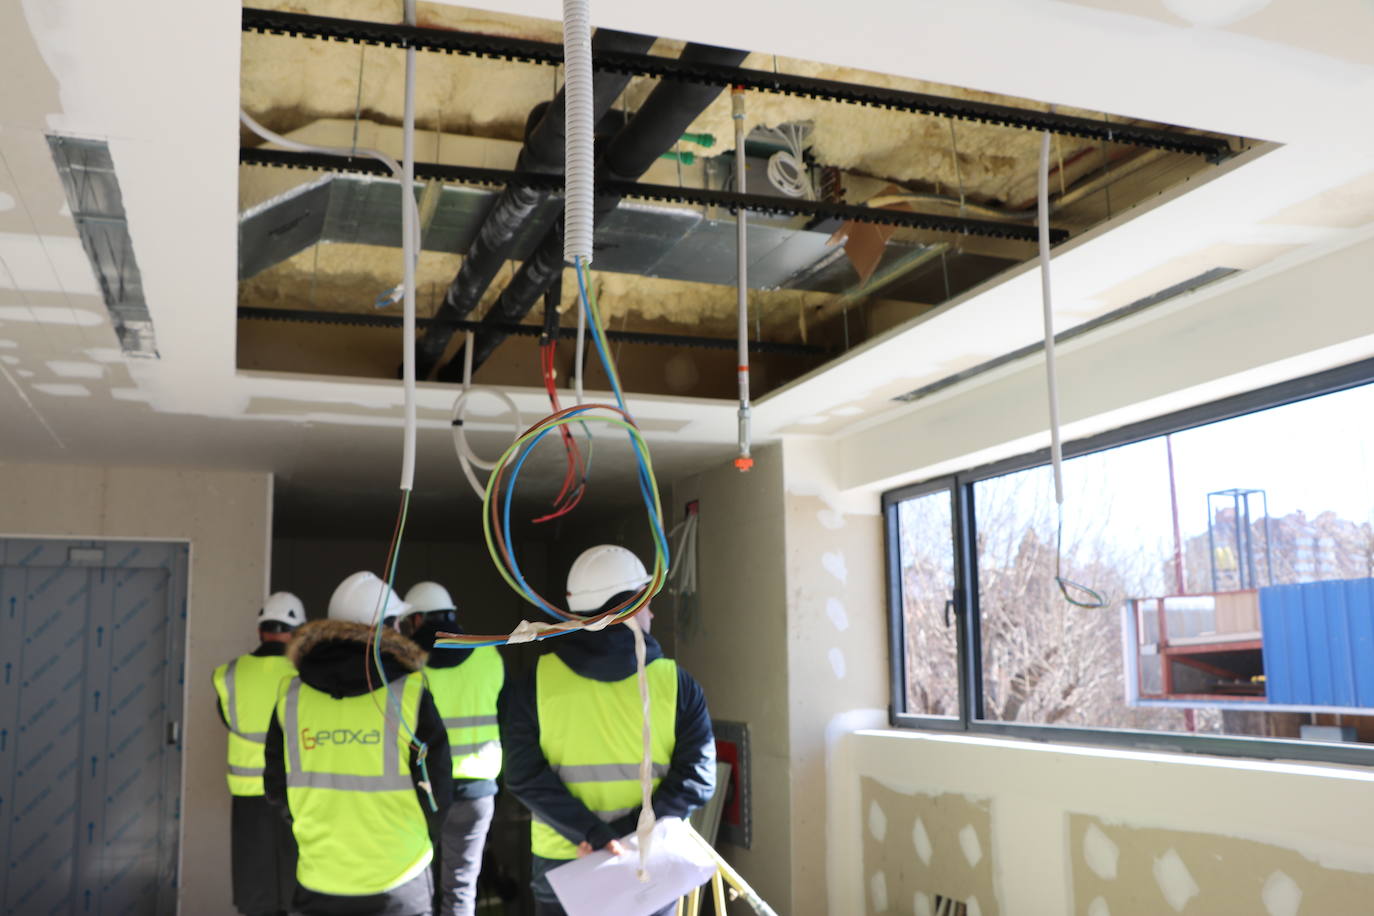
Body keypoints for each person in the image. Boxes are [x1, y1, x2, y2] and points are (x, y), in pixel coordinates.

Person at [500, 545, 716, 916]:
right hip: (649, 861)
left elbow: (523, 776)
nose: (652, 611)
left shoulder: (533, 683)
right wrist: (630, 834)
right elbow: (698, 777)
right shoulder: (677, 685)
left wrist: (594, 833)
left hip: (564, 863)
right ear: (630, 607)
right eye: (645, 601)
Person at [263, 571, 453, 916]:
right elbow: (438, 787)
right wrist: (422, 836)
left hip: (320, 876)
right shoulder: (409, 692)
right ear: (384, 625)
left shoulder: (292, 696)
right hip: (401, 875)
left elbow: (276, 786)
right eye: (396, 621)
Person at [402, 582, 505, 916]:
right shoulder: (489, 656)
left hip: (425, 789)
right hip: (477, 791)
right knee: (461, 890)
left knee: (415, 884)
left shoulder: (407, 664)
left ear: (417, 619)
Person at [213, 591, 306, 916]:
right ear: (297, 633)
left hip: (248, 796)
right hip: (295, 794)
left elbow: (227, 717)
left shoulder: (229, 674)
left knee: (255, 886)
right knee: (298, 884)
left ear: (260, 630)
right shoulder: (305, 676)